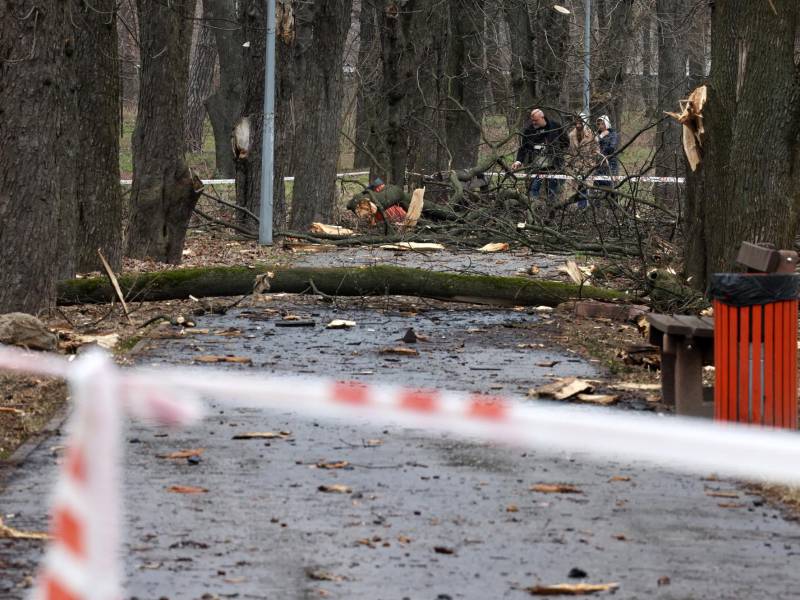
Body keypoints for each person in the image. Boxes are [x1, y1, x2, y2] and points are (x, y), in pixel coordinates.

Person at [511, 108, 567, 202]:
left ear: (542, 117)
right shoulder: (529, 130)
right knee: (534, 188)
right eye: (532, 120)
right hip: (536, 166)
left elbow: (565, 142)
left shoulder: (555, 126)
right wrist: (518, 161)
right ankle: (535, 208)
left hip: (553, 166)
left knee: (552, 190)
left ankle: (551, 210)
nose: (533, 122)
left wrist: (557, 150)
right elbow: (523, 147)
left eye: (536, 120)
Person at [566, 113, 600, 208]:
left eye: (580, 123)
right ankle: (578, 208)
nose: (578, 125)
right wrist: (569, 163)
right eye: (576, 123)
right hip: (575, 166)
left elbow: (596, 149)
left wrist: (591, 161)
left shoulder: (591, 134)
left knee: (585, 187)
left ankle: (583, 208)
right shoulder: (571, 135)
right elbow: (569, 151)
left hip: (587, 165)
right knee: (577, 188)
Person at [595, 115, 619, 185]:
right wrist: (600, 136)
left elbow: (612, 148)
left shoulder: (613, 134)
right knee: (598, 183)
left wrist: (602, 152)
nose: (600, 126)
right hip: (599, 162)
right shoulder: (597, 135)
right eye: (598, 124)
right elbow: (593, 145)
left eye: (602, 124)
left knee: (610, 183)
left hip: (611, 162)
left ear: (606, 123)